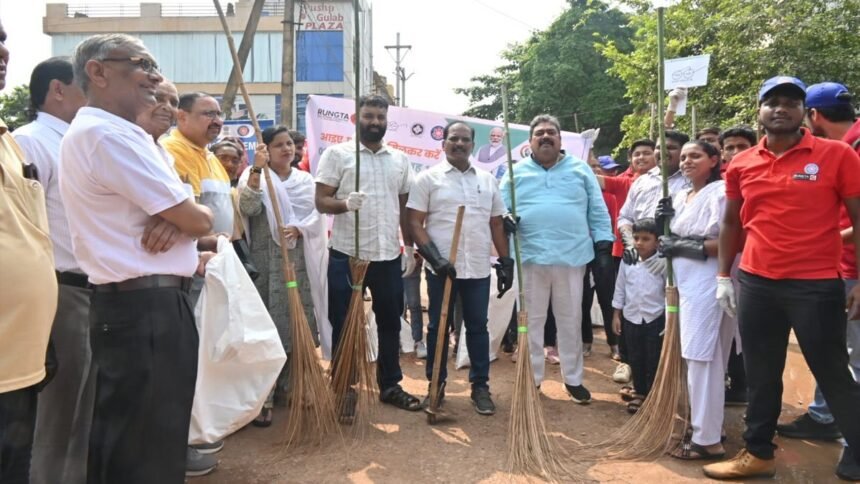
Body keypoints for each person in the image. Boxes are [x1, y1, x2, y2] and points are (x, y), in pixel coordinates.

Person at [59, 34, 214, 484]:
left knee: (144, 444)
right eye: (142, 64)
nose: (155, 77)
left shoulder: (128, 136)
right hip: (143, 310)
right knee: (141, 452)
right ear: (98, 71)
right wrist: (186, 218)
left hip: (147, 307)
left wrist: (181, 219)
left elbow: (191, 216)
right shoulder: (106, 134)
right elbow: (199, 218)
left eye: (154, 66)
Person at [706, 76, 860, 481]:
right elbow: (731, 222)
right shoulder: (742, 163)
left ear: (805, 112)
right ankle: (758, 453)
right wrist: (724, 276)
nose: (781, 108)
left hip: (816, 285)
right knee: (761, 373)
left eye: (791, 102)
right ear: (759, 110)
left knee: (832, 371)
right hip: (758, 283)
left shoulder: (836, 155)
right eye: (772, 101)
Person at [315, 94, 421, 413]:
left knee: (390, 321)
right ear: (356, 118)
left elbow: (405, 206)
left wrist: (409, 247)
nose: (375, 122)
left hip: (386, 255)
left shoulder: (399, 159)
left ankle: (389, 384)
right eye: (369, 116)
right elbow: (321, 201)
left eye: (380, 117)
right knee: (344, 321)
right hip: (347, 254)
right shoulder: (337, 155)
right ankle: (344, 387)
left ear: (387, 121)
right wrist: (345, 204)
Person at [11, 56, 89, 484]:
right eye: (84, 85)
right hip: (61, 292)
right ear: (58, 89)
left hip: (90, 292)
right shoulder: (31, 141)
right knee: (56, 414)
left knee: (82, 409)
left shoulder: (78, 141)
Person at [500, 114, 614, 404]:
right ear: (530, 141)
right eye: (539, 133)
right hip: (529, 256)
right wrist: (505, 219)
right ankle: (533, 379)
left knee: (570, 320)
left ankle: (573, 379)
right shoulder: (515, 172)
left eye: (551, 132)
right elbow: (500, 207)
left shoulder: (580, 169)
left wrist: (603, 242)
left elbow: (597, 208)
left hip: (571, 256)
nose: (545, 136)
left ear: (560, 139)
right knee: (530, 322)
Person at [407, 121, 512, 415]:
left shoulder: (487, 180)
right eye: (454, 138)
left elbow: (496, 223)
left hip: (477, 268)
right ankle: (436, 385)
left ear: (472, 145)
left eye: (465, 139)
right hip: (442, 269)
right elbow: (414, 222)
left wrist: (506, 261)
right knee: (438, 327)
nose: (460, 143)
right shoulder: (427, 179)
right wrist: (434, 258)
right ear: (444, 144)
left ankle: (480, 387)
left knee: (477, 327)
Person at [775, 82, 860, 446]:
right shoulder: (845, 145)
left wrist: (825, 238)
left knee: (852, 357)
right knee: (835, 351)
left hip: (851, 270)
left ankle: (850, 438)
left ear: (813, 114)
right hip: (839, 267)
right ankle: (825, 416)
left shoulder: (849, 150)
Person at [0, 18, 59, 483]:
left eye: (3, 43)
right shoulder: (30, 138)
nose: (3, 53)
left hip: (21, 348)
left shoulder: (8, 141)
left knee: (14, 462)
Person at [239, 125, 327, 425]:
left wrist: (300, 228)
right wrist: (256, 170)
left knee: (296, 319)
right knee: (267, 324)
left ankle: (292, 385)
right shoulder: (256, 176)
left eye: (289, 143)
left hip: (298, 262)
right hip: (266, 262)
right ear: (266, 149)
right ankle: (264, 394)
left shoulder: (305, 181)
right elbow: (249, 208)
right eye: (279, 145)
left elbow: (316, 216)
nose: (287, 149)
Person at [658, 140, 733, 461]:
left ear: (714, 160)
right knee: (700, 358)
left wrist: (684, 246)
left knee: (703, 358)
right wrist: (662, 226)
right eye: (684, 157)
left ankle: (707, 440)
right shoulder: (679, 195)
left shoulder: (720, 192)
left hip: (708, 283)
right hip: (685, 285)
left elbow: (731, 239)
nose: (687, 161)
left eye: (696, 156)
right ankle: (710, 427)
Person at [611, 218, 665, 413]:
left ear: (657, 242)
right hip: (632, 317)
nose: (640, 243)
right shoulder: (628, 262)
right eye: (636, 238)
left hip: (655, 318)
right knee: (635, 356)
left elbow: (670, 291)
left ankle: (653, 395)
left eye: (646, 239)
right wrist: (616, 315)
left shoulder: (662, 264)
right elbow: (620, 288)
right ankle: (639, 392)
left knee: (654, 358)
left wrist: (669, 318)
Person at [162, 92, 232, 235]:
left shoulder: (210, 157)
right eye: (209, 114)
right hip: (198, 247)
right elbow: (189, 214)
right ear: (182, 116)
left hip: (220, 246)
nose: (218, 121)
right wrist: (210, 241)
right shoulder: (175, 149)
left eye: (219, 115)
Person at [583, 154, 620, 360]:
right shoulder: (577, 193)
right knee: (583, 300)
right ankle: (585, 341)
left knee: (608, 297)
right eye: (591, 166)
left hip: (603, 250)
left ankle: (614, 343)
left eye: (597, 166)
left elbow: (614, 223)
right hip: (581, 251)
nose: (595, 170)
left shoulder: (609, 195)